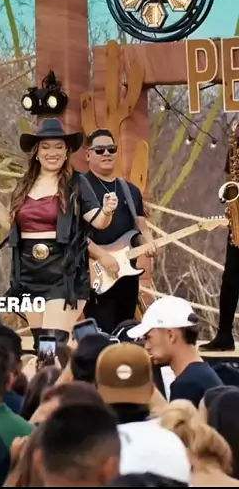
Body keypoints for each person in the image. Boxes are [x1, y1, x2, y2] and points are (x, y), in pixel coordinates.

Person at [0, 118, 118, 335]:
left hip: (63, 271)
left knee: (53, 341)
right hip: (29, 272)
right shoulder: (24, 184)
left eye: (58, 147)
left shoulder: (77, 183)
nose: (52, 153)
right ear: (36, 152)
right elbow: (13, 226)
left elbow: (98, 221)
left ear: (66, 152)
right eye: (45, 147)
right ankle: (67, 357)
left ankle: (63, 355)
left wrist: (107, 211)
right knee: (41, 342)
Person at [83, 129, 155, 335]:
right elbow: (73, 234)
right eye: (100, 150)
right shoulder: (80, 188)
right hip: (95, 273)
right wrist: (102, 256)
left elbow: (139, 226)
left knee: (126, 333)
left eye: (111, 149)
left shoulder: (130, 190)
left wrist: (148, 242)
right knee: (101, 336)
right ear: (88, 155)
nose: (106, 153)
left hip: (127, 274)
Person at [128, 296, 222, 407]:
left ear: (171, 335)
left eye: (148, 337)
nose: (146, 346)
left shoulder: (187, 385)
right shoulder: (203, 376)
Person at [200, 145, 238, 352]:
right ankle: (224, 334)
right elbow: (230, 177)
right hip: (238, 224)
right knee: (230, 278)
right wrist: (232, 207)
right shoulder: (236, 143)